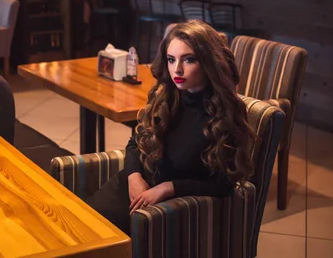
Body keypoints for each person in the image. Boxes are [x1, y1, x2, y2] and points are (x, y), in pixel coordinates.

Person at [86, 20, 256, 235]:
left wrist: (169, 188)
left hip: (166, 209)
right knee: (80, 229)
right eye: (171, 59)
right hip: (131, 188)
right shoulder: (166, 97)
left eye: (189, 60)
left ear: (208, 62)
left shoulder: (226, 113)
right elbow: (135, 143)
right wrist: (133, 176)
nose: (177, 69)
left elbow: (223, 184)